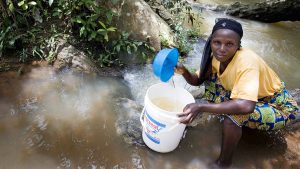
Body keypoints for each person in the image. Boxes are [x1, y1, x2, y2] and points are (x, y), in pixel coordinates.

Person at [175, 18, 299, 167]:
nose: (221, 48)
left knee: (234, 116)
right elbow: (197, 80)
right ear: (211, 41)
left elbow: (246, 107)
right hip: (255, 99)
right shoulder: (216, 58)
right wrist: (184, 71)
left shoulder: (247, 61)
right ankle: (240, 128)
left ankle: (223, 164)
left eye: (229, 44)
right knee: (212, 79)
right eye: (217, 42)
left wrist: (201, 107)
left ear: (238, 45)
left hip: (279, 107)